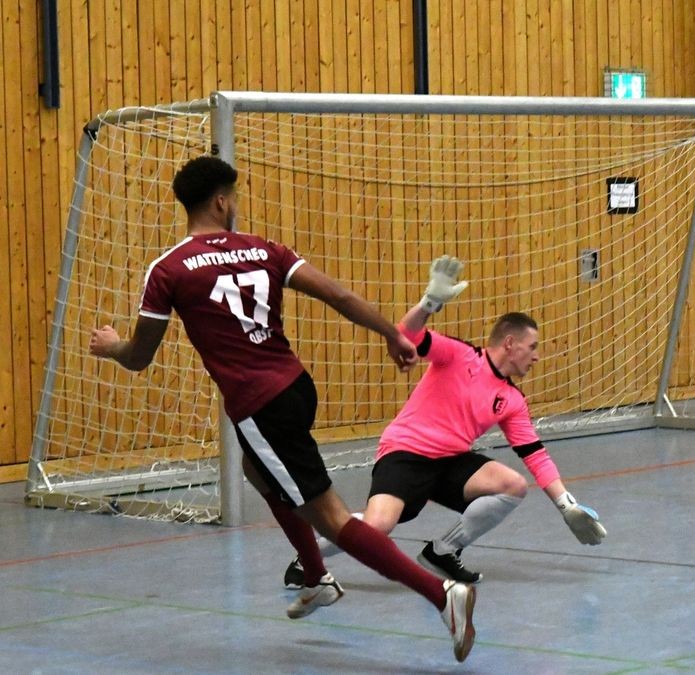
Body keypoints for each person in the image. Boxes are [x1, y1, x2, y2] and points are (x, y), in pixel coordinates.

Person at [89, 156, 477, 662]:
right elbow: (338, 294)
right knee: (256, 468)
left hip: (259, 405)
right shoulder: (265, 249)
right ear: (222, 201)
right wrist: (392, 335)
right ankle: (316, 577)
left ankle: (441, 595)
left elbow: (139, 357)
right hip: (295, 386)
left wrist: (112, 344)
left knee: (335, 519)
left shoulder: (170, 268)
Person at [283, 255, 607, 588]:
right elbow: (406, 333)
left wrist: (566, 505)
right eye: (532, 347)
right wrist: (430, 302)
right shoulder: (460, 355)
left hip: (449, 461)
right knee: (378, 525)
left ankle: (443, 551)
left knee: (513, 485)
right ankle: (307, 557)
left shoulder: (512, 400)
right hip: (406, 452)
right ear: (510, 344)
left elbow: (535, 454)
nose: (537, 355)